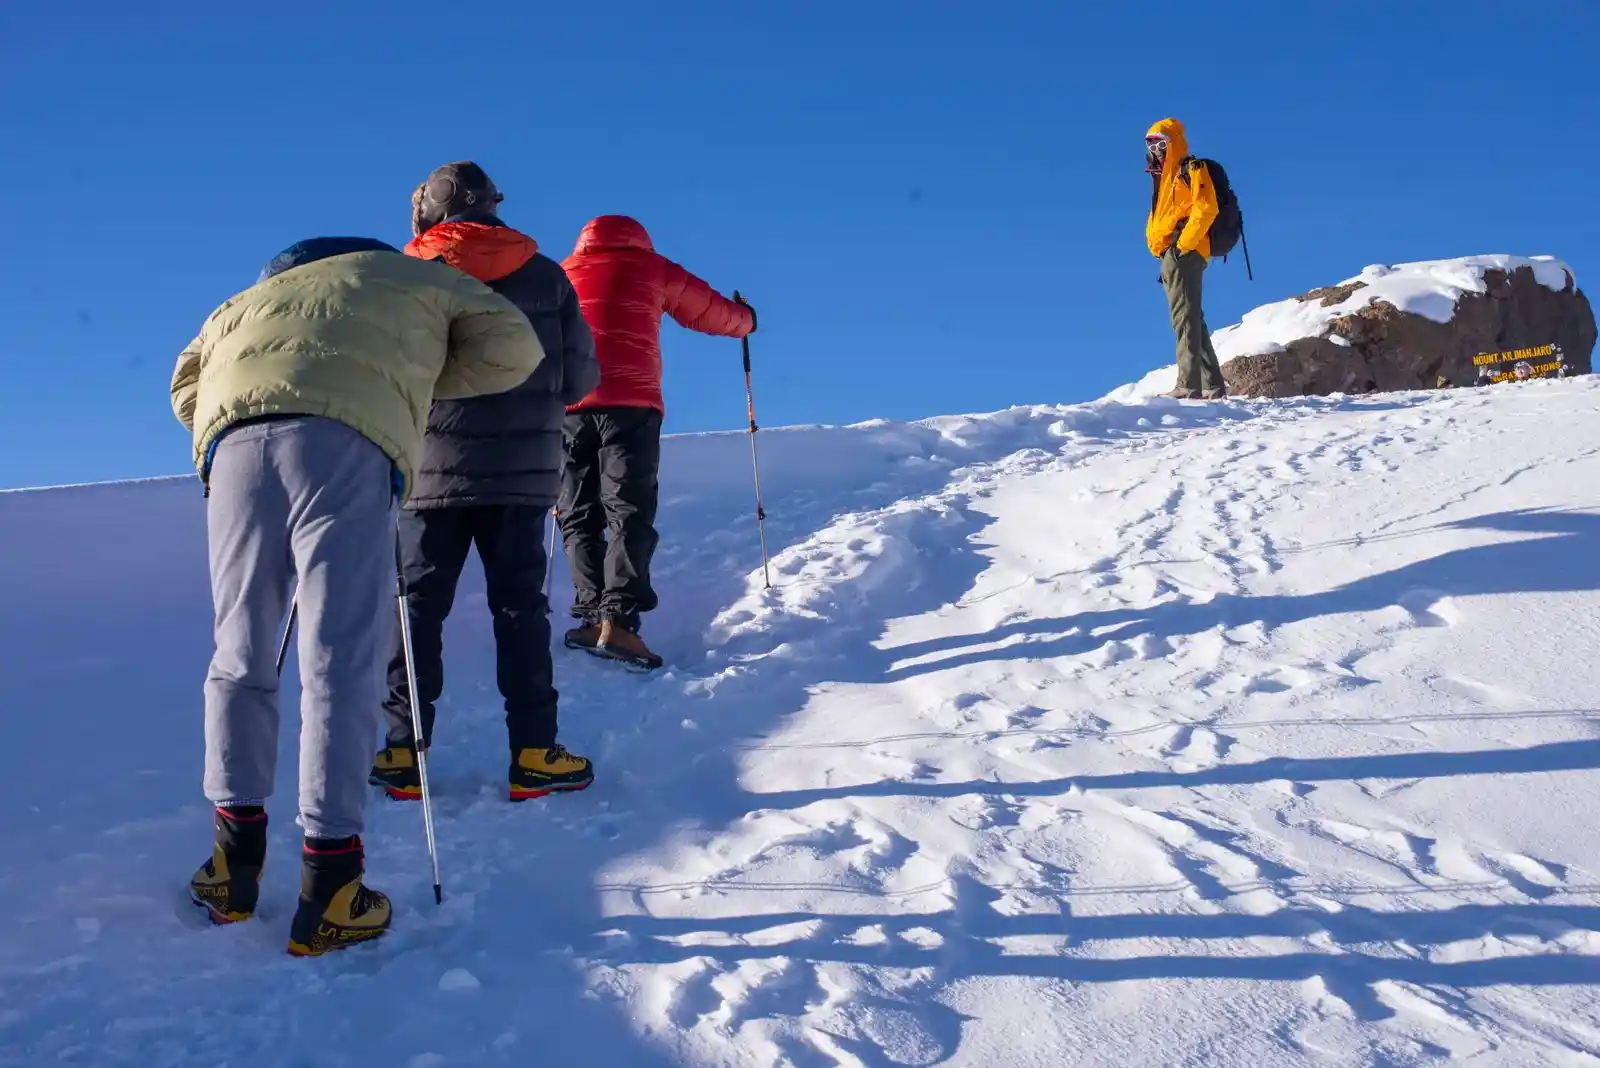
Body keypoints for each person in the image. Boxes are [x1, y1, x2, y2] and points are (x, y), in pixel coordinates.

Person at [172, 235, 544, 955]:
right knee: (338, 656)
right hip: (347, 444)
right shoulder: (408, 277)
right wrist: (407, 372)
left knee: (241, 649)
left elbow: (187, 383)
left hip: (236, 447)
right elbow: (513, 346)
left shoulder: (240, 304)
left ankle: (231, 862)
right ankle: (332, 882)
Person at [370, 162, 601, 804]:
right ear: (493, 207)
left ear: (431, 214)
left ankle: (403, 755)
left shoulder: (410, 278)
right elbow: (581, 381)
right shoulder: (548, 276)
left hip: (427, 472)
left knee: (417, 610)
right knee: (519, 610)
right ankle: (533, 754)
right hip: (522, 479)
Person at [558, 216, 755, 669]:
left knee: (578, 513)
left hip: (569, 407)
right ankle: (618, 622)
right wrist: (746, 320)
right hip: (630, 406)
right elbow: (709, 310)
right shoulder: (652, 268)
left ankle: (590, 614)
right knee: (628, 508)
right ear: (638, 240)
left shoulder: (562, 273)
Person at [1146, 117, 1226, 400]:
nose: (1155, 148)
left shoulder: (1190, 169)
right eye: (1151, 143)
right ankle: (1213, 386)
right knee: (1191, 317)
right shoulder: (1163, 176)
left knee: (1184, 318)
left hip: (1184, 252)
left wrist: (1183, 246)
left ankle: (1188, 385)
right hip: (1171, 253)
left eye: (1160, 142)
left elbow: (1207, 208)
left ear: (1174, 141)